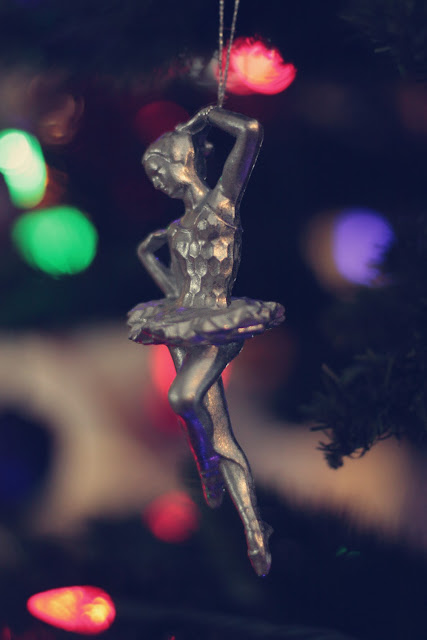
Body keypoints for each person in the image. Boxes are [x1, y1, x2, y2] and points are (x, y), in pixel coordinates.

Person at [128, 106, 284, 576]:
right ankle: (254, 527)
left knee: (183, 397)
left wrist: (210, 114)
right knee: (217, 428)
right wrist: (149, 257)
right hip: (182, 322)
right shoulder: (175, 229)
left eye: (159, 170)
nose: (157, 182)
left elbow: (251, 130)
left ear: (182, 160)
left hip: (219, 321)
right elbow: (176, 291)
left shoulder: (222, 203)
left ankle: (208, 471)